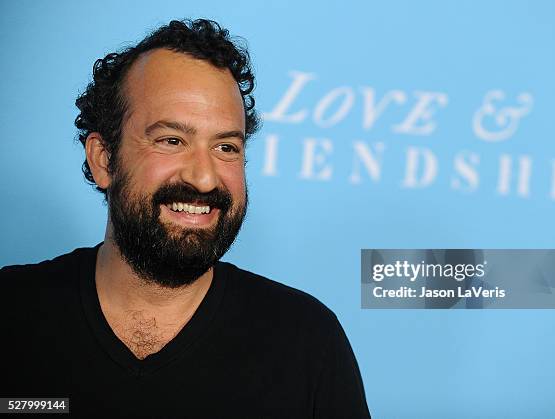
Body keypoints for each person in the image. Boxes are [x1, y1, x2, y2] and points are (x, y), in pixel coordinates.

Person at [0, 19, 370, 418]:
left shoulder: (307, 341)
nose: (204, 176)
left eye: (226, 147)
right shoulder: (11, 314)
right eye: (172, 140)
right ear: (104, 159)